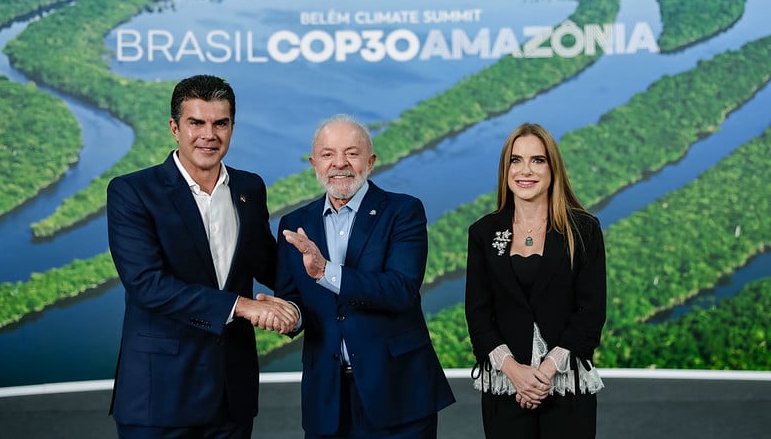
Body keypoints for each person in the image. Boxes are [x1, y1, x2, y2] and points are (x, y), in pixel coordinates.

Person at [106, 74, 298, 438]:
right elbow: (148, 285)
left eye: (219, 123)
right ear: (175, 127)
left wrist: (312, 279)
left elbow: (267, 265)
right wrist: (241, 306)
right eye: (196, 122)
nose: (209, 135)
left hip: (231, 394)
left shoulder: (249, 188)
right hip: (158, 395)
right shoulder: (132, 192)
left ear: (232, 128)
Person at [273, 114, 455, 438]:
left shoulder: (403, 211)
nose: (339, 163)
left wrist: (326, 271)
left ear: (370, 161)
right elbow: (294, 298)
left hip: (397, 392)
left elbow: (400, 289)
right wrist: (287, 316)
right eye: (328, 154)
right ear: (314, 163)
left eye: (352, 153)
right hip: (326, 397)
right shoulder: (295, 223)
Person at [465, 122, 607, 439]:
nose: (525, 170)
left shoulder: (583, 230)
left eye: (537, 160)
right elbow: (477, 313)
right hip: (506, 387)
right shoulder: (483, 233)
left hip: (567, 385)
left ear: (552, 168)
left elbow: (590, 312)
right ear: (505, 169)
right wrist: (514, 371)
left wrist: (544, 373)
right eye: (516, 160)